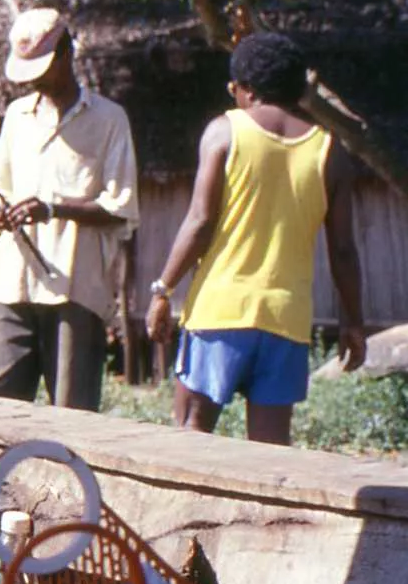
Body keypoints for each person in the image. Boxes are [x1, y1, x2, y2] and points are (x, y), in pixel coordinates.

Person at [146, 34, 366, 445]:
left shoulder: (225, 132)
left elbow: (199, 221)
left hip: (220, 312)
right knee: (269, 456)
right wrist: (353, 322)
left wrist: (163, 289)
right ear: (299, 87)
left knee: (190, 440)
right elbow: (343, 250)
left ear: (244, 89)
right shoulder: (329, 151)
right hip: (287, 320)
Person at [0, 8, 139, 412]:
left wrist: (54, 209)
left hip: (75, 285)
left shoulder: (110, 119)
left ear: (66, 55)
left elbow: (121, 207)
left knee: (70, 415)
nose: (35, 80)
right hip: (11, 281)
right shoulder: (16, 118)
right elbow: (0, 194)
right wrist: (1, 214)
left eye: (42, 68)